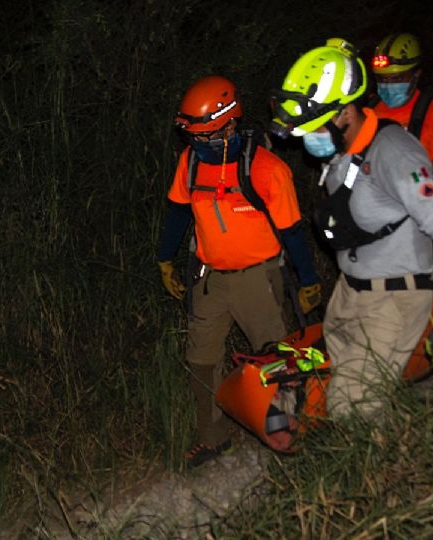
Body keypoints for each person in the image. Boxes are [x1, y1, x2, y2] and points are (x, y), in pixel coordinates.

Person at [270, 39, 433, 417]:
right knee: (353, 398)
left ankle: (378, 471)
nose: (306, 138)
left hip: (394, 298)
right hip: (351, 293)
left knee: (354, 411)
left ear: (345, 112)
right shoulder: (342, 151)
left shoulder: (394, 151)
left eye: (313, 127)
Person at [155, 75, 322, 468]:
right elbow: (179, 213)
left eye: (206, 135)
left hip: (257, 279)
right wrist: (165, 259)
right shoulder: (191, 162)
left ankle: (291, 436)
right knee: (202, 362)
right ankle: (215, 438)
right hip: (210, 277)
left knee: (279, 362)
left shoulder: (266, 169)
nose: (197, 143)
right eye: (192, 136)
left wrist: (309, 279)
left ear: (231, 123)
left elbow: (293, 232)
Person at [371, 33, 433, 199]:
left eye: (396, 78)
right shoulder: (369, 111)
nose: (388, 85)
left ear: (416, 74)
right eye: (383, 79)